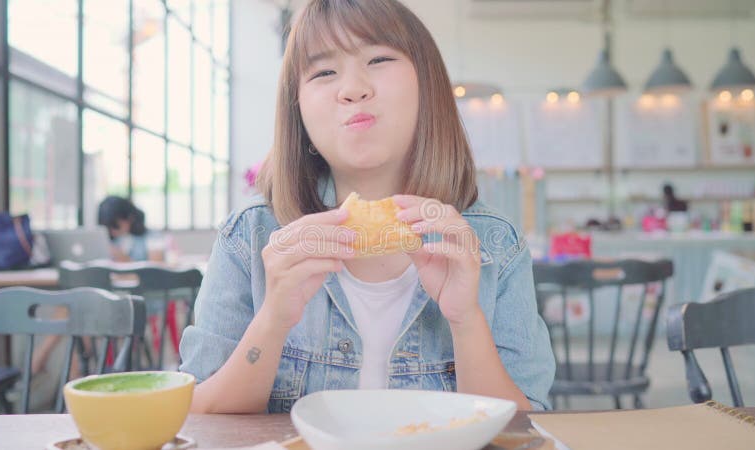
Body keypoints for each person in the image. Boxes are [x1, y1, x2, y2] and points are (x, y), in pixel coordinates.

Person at [179, 0, 555, 414]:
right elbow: (202, 419)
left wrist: (465, 320)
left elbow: (523, 428)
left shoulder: (495, 246)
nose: (353, 88)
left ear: (427, 87)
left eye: (378, 58)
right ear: (297, 111)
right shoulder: (249, 240)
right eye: (324, 72)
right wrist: (272, 319)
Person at [97, 196, 163, 262]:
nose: (113, 232)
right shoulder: (109, 241)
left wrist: (126, 261)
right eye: (108, 228)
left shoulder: (153, 237)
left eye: (115, 226)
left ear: (130, 217)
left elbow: (155, 269)